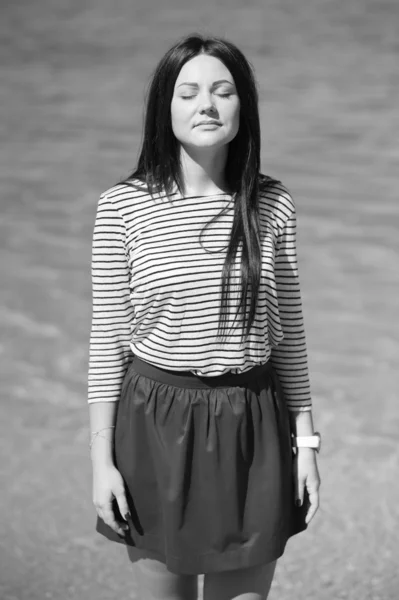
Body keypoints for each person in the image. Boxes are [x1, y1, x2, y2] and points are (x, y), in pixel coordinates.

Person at [87, 33, 321, 600]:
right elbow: (105, 343)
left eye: (223, 91)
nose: (207, 105)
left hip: (252, 428)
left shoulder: (272, 203)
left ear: (245, 107)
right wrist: (101, 463)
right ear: (164, 108)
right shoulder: (122, 206)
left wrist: (307, 447)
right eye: (188, 92)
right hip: (154, 425)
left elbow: (289, 333)